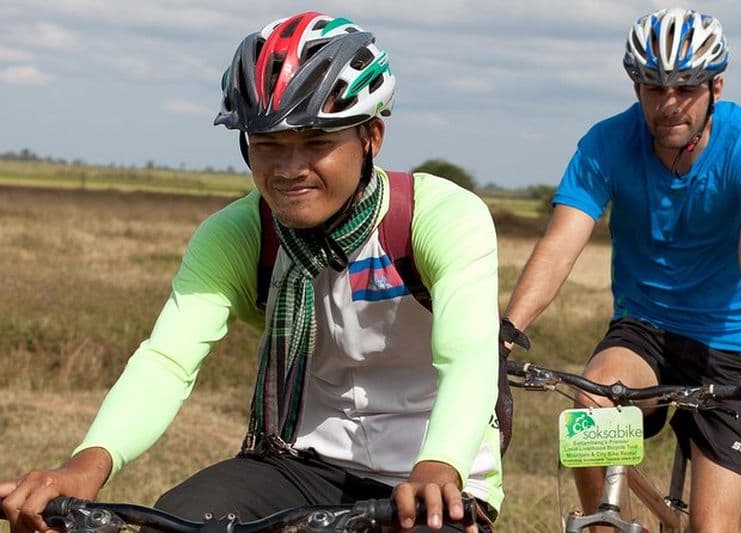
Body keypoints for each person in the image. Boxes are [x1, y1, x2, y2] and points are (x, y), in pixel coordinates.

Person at [0, 11, 502, 532]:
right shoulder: (239, 234)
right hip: (301, 461)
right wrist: (87, 465)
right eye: (267, 144)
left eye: (315, 141)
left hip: (436, 469)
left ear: (371, 136)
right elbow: (167, 360)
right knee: (176, 520)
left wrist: (440, 464)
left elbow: (467, 356)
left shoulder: (438, 217)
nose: (289, 169)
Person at [503, 7, 741, 532]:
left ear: (716, 86)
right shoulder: (607, 143)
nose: (669, 104)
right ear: (636, 87)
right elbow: (561, 244)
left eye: (686, 88)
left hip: (729, 344)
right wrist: (505, 333)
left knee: (712, 527)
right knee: (593, 403)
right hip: (644, 330)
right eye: (654, 88)